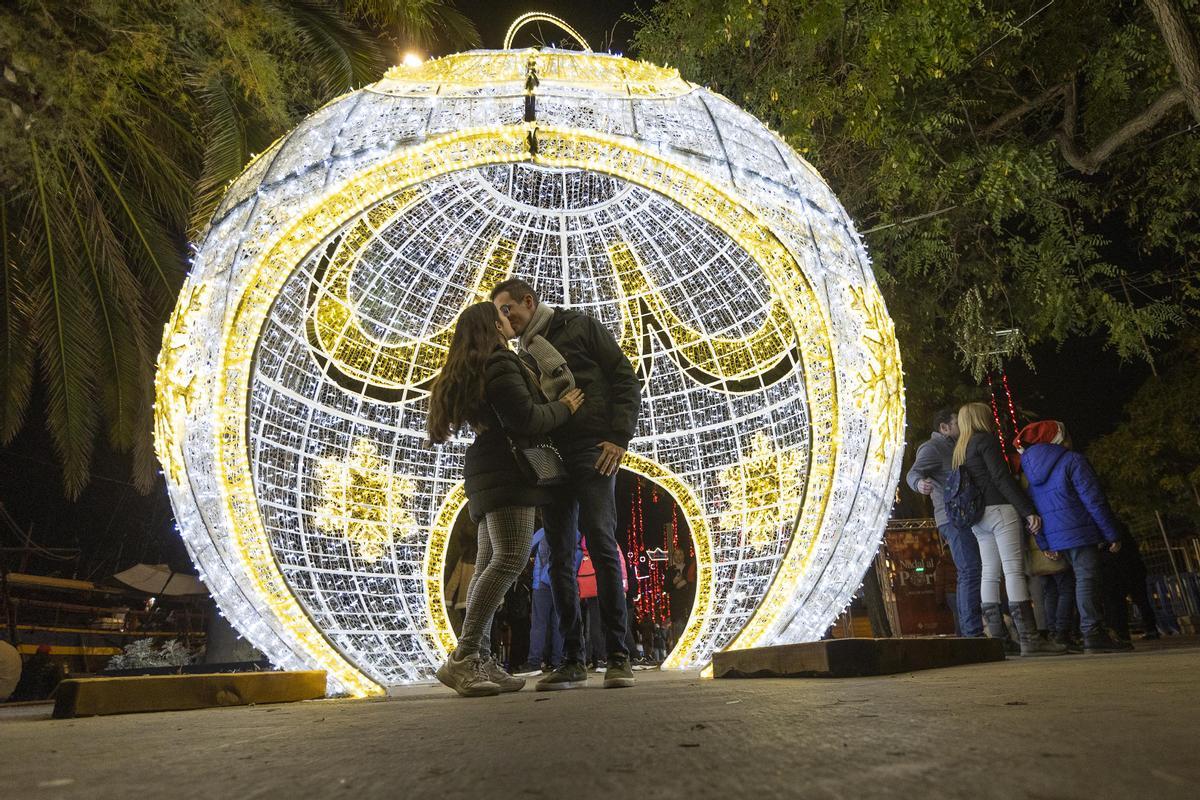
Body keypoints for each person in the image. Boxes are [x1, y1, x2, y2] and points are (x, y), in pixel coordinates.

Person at [427, 302, 585, 697]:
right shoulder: (499, 363)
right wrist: (563, 409)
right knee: (510, 559)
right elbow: (526, 420)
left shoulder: (479, 365)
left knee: (486, 564)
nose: (508, 319)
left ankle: (479, 656)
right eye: (502, 315)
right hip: (508, 472)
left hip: (489, 472)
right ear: (492, 326)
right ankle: (464, 658)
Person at [491, 278, 641, 691]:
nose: (506, 319)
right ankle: (572, 659)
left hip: (593, 449)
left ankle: (617, 655)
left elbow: (624, 378)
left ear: (528, 301)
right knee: (557, 555)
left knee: (600, 542)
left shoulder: (580, 326)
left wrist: (619, 437)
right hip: (550, 456)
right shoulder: (517, 356)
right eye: (500, 315)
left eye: (508, 310)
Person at [953, 402, 1065, 656]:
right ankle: (1030, 639)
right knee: (1013, 570)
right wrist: (1027, 510)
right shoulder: (985, 441)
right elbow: (1001, 477)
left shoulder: (960, 449)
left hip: (977, 517)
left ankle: (999, 640)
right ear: (981, 418)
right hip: (1000, 510)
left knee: (989, 573)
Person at [1016, 420, 1130, 654]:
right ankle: (1092, 632)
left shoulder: (1031, 470)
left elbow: (1034, 510)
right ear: (1058, 439)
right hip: (1081, 530)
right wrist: (1111, 533)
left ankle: (1076, 632)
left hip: (1057, 538)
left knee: (1073, 583)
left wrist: (1044, 542)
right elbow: (1094, 500)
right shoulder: (1073, 460)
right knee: (1088, 579)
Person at [906, 407, 984, 637]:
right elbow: (913, 472)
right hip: (952, 518)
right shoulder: (933, 447)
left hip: (964, 517)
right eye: (957, 423)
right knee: (969, 570)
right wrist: (919, 484)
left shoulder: (957, 446)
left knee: (971, 569)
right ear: (944, 427)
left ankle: (972, 630)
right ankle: (972, 633)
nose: (961, 426)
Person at [516, 527, 564, 675]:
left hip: (542, 585)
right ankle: (557, 661)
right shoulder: (572, 530)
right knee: (558, 624)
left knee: (539, 624)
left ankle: (534, 662)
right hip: (562, 583)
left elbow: (526, 548)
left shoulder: (543, 531)